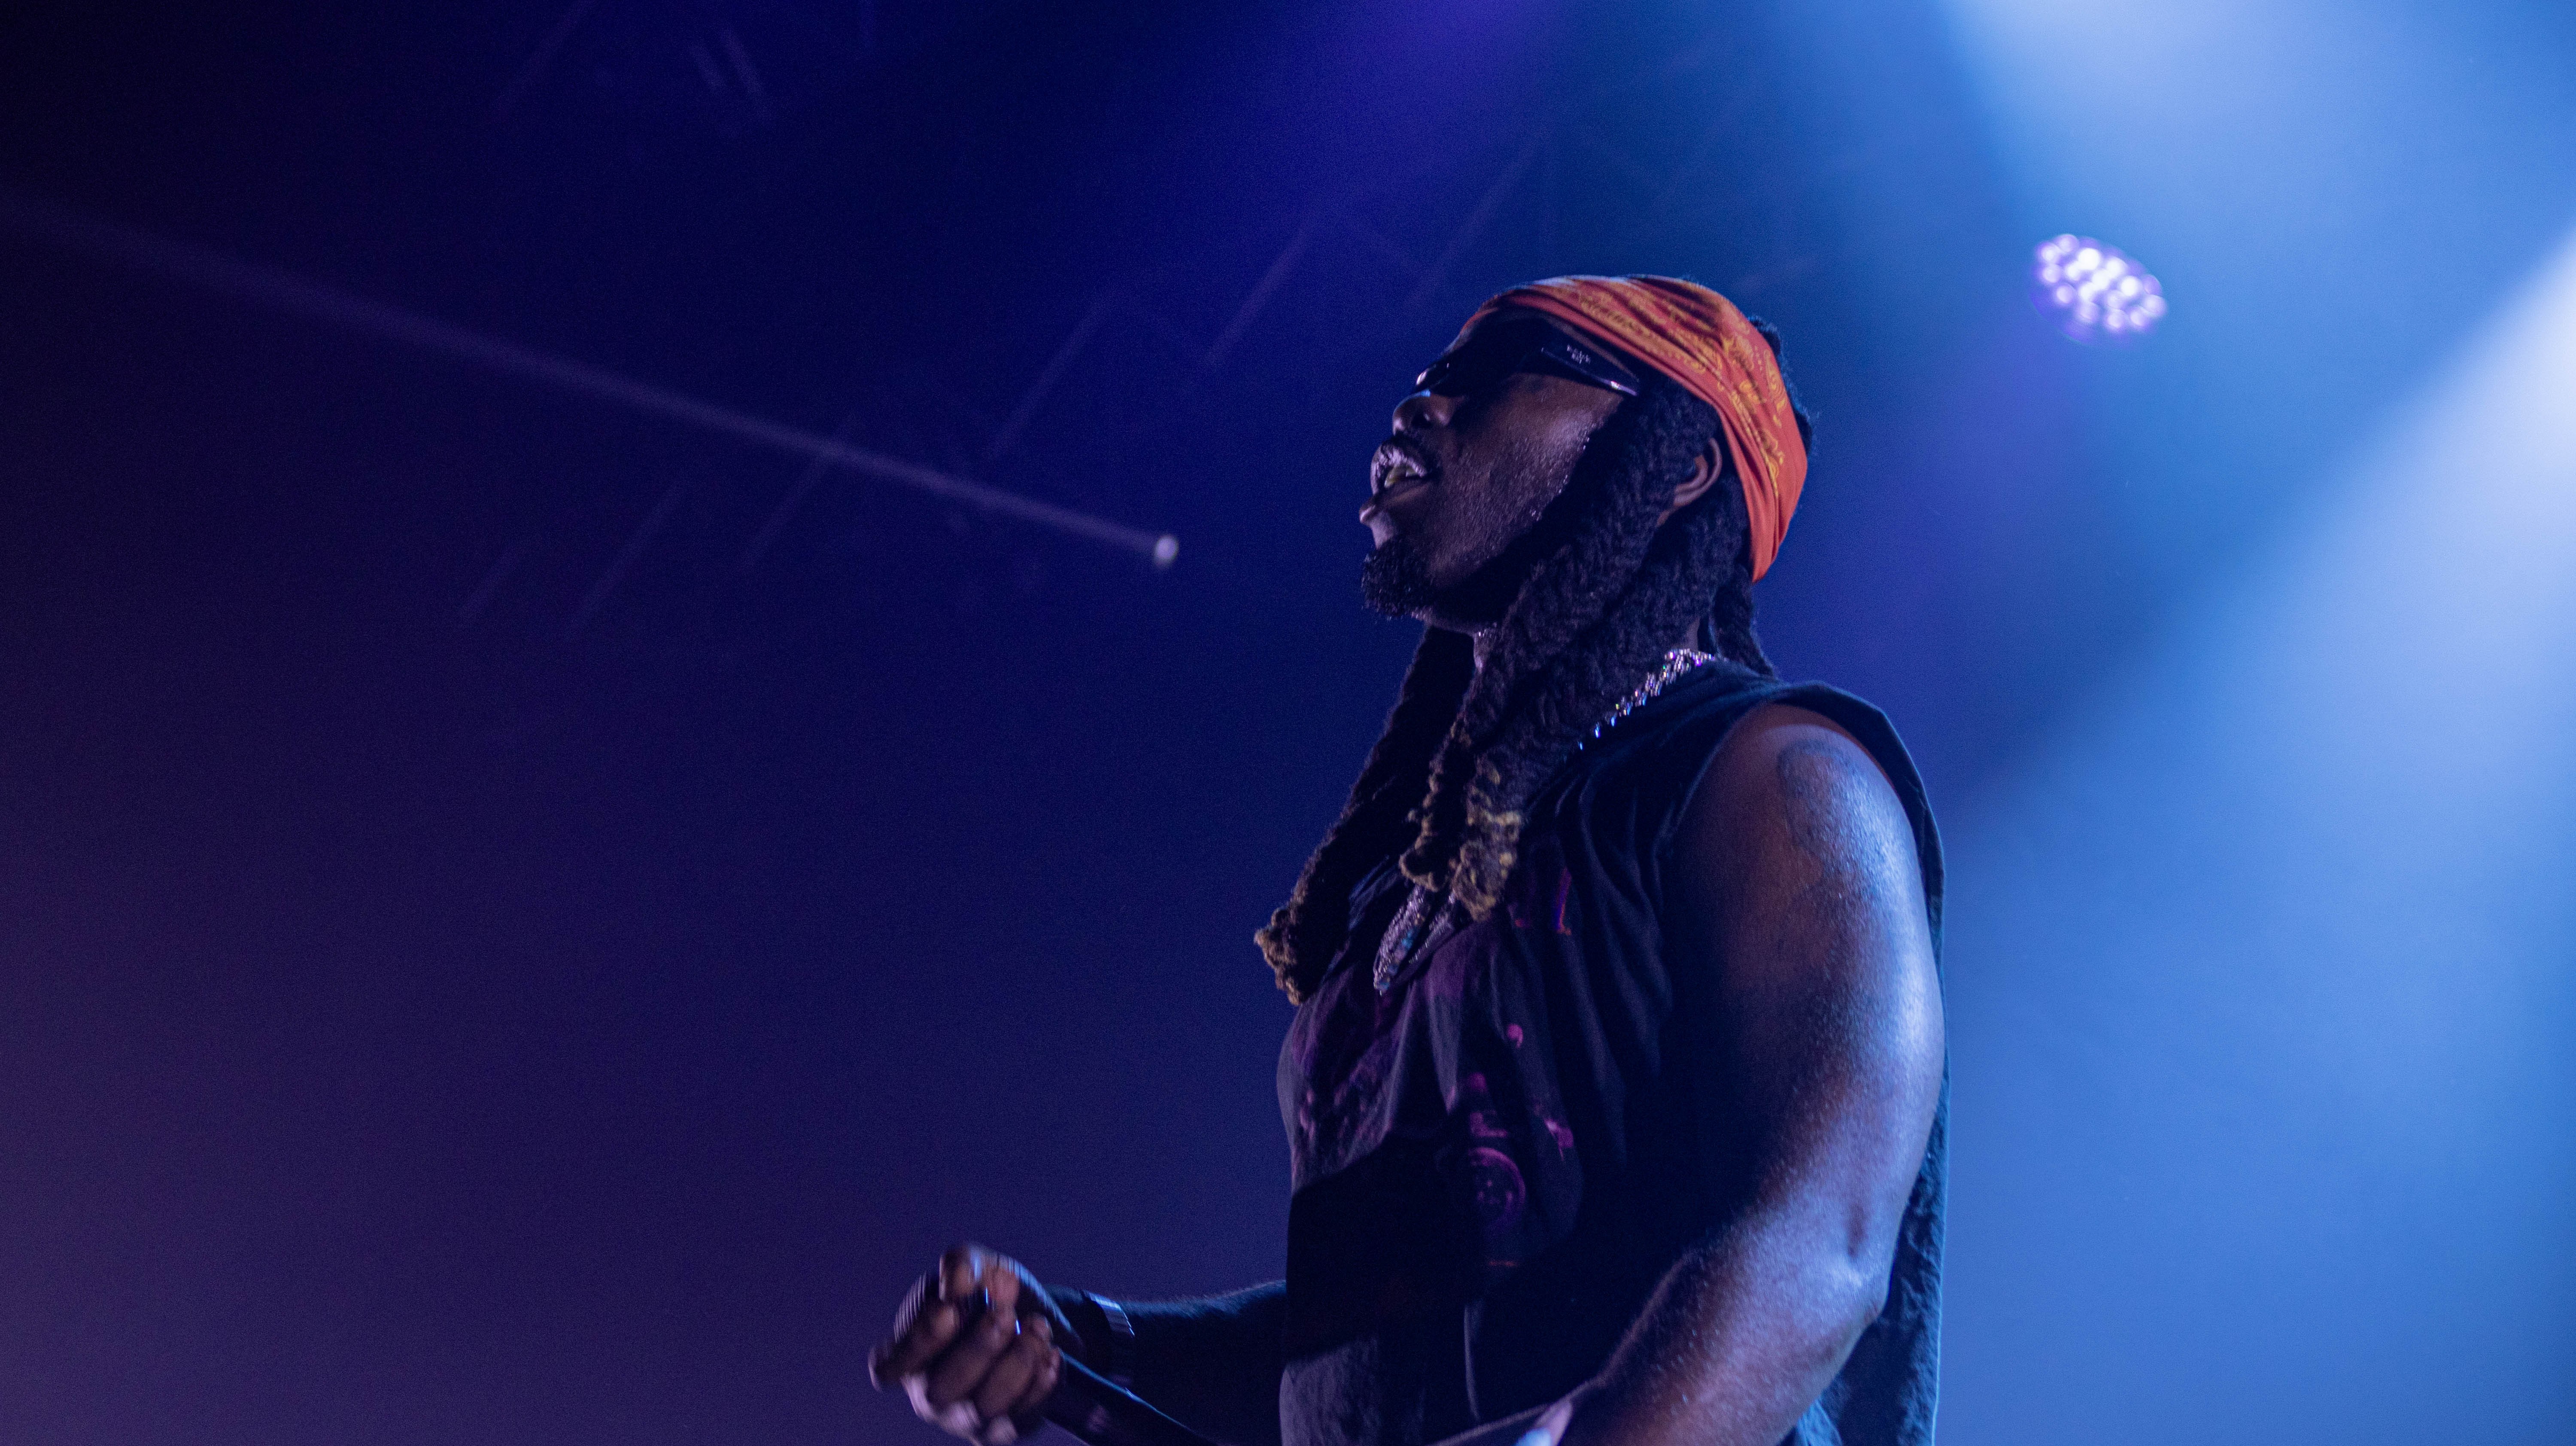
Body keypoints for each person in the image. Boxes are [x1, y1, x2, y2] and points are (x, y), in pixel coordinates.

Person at [869, 276, 1947, 1446]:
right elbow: (1372, 1351)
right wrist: (1091, 1347)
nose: (1423, 401)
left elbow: (1821, 1247)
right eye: (1433, 374)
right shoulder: (1417, 885)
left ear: (1679, 466)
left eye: (1505, 367)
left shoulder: (1776, 778)